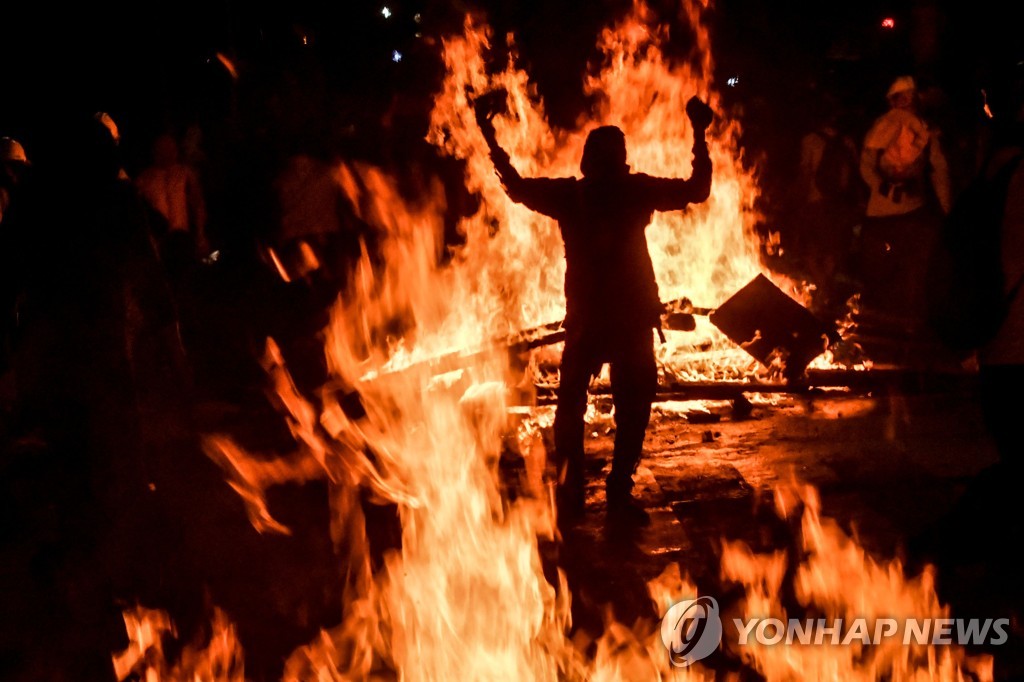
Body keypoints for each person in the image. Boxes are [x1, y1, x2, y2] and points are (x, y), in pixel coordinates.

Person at [475, 93, 714, 525]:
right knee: (633, 408)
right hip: (629, 319)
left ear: (586, 162)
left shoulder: (571, 195)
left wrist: (489, 135)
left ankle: (571, 497)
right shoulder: (636, 189)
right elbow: (697, 189)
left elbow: (516, 186)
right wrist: (699, 133)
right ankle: (618, 492)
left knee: (571, 409)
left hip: (589, 320)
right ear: (621, 161)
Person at [857, 76, 952, 322]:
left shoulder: (925, 131)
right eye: (902, 98)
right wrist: (883, 187)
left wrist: (947, 210)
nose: (906, 104)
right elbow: (866, 167)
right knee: (880, 274)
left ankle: (907, 329)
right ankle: (879, 328)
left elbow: (939, 172)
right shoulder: (880, 128)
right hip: (881, 215)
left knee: (913, 276)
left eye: (910, 98)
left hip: (912, 213)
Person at [136, 132, 208, 278]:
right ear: (155, 152)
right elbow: (138, 213)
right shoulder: (144, 179)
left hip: (183, 239)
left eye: (171, 148)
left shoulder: (184, 173)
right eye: (164, 149)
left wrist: (201, 236)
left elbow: (197, 204)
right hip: (158, 244)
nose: (169, 152)